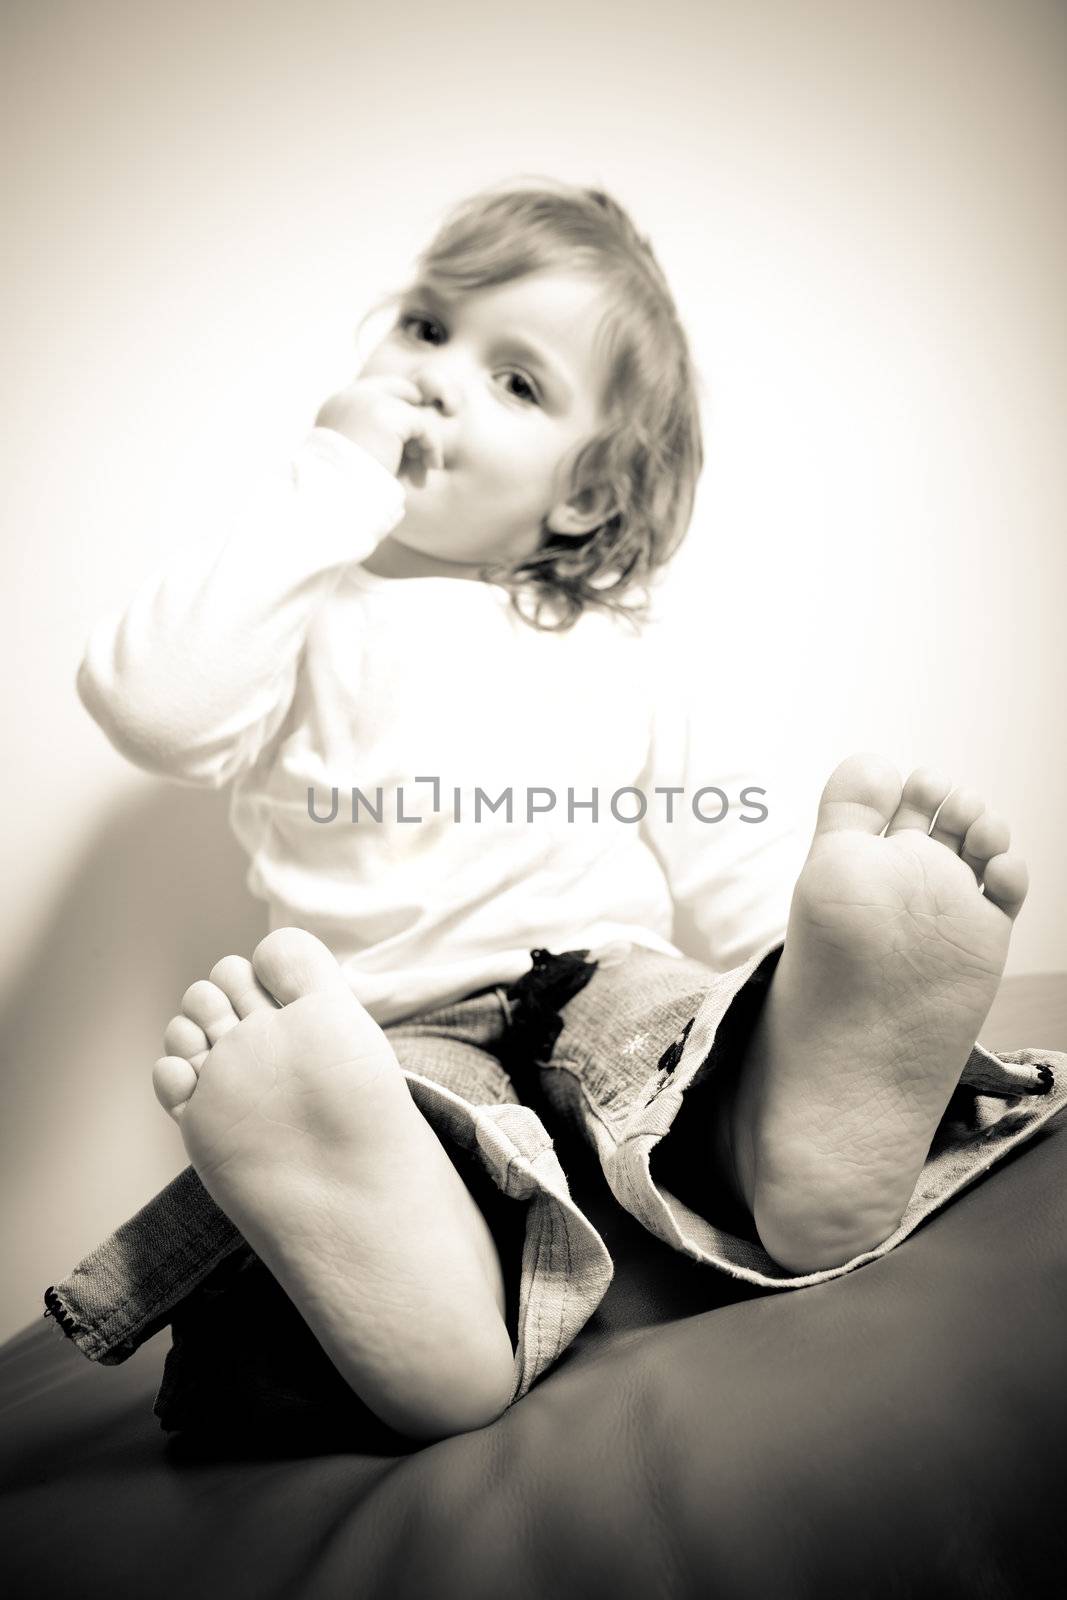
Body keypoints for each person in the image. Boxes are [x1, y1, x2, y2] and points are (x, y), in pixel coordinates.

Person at [45, 177, 1062, 1444]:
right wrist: (329, 479)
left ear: (582, 496)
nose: (437, 379)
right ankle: (438, 1298)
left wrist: (812, 980)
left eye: (516, 380)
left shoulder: (613, 648)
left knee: (698, 1034)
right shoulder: (291, 612)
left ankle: (784, 1126)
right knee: (376, 1172)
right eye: (424, 328)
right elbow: (151, 703)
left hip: (602, 991)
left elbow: (730, 859)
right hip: (384, 1056)